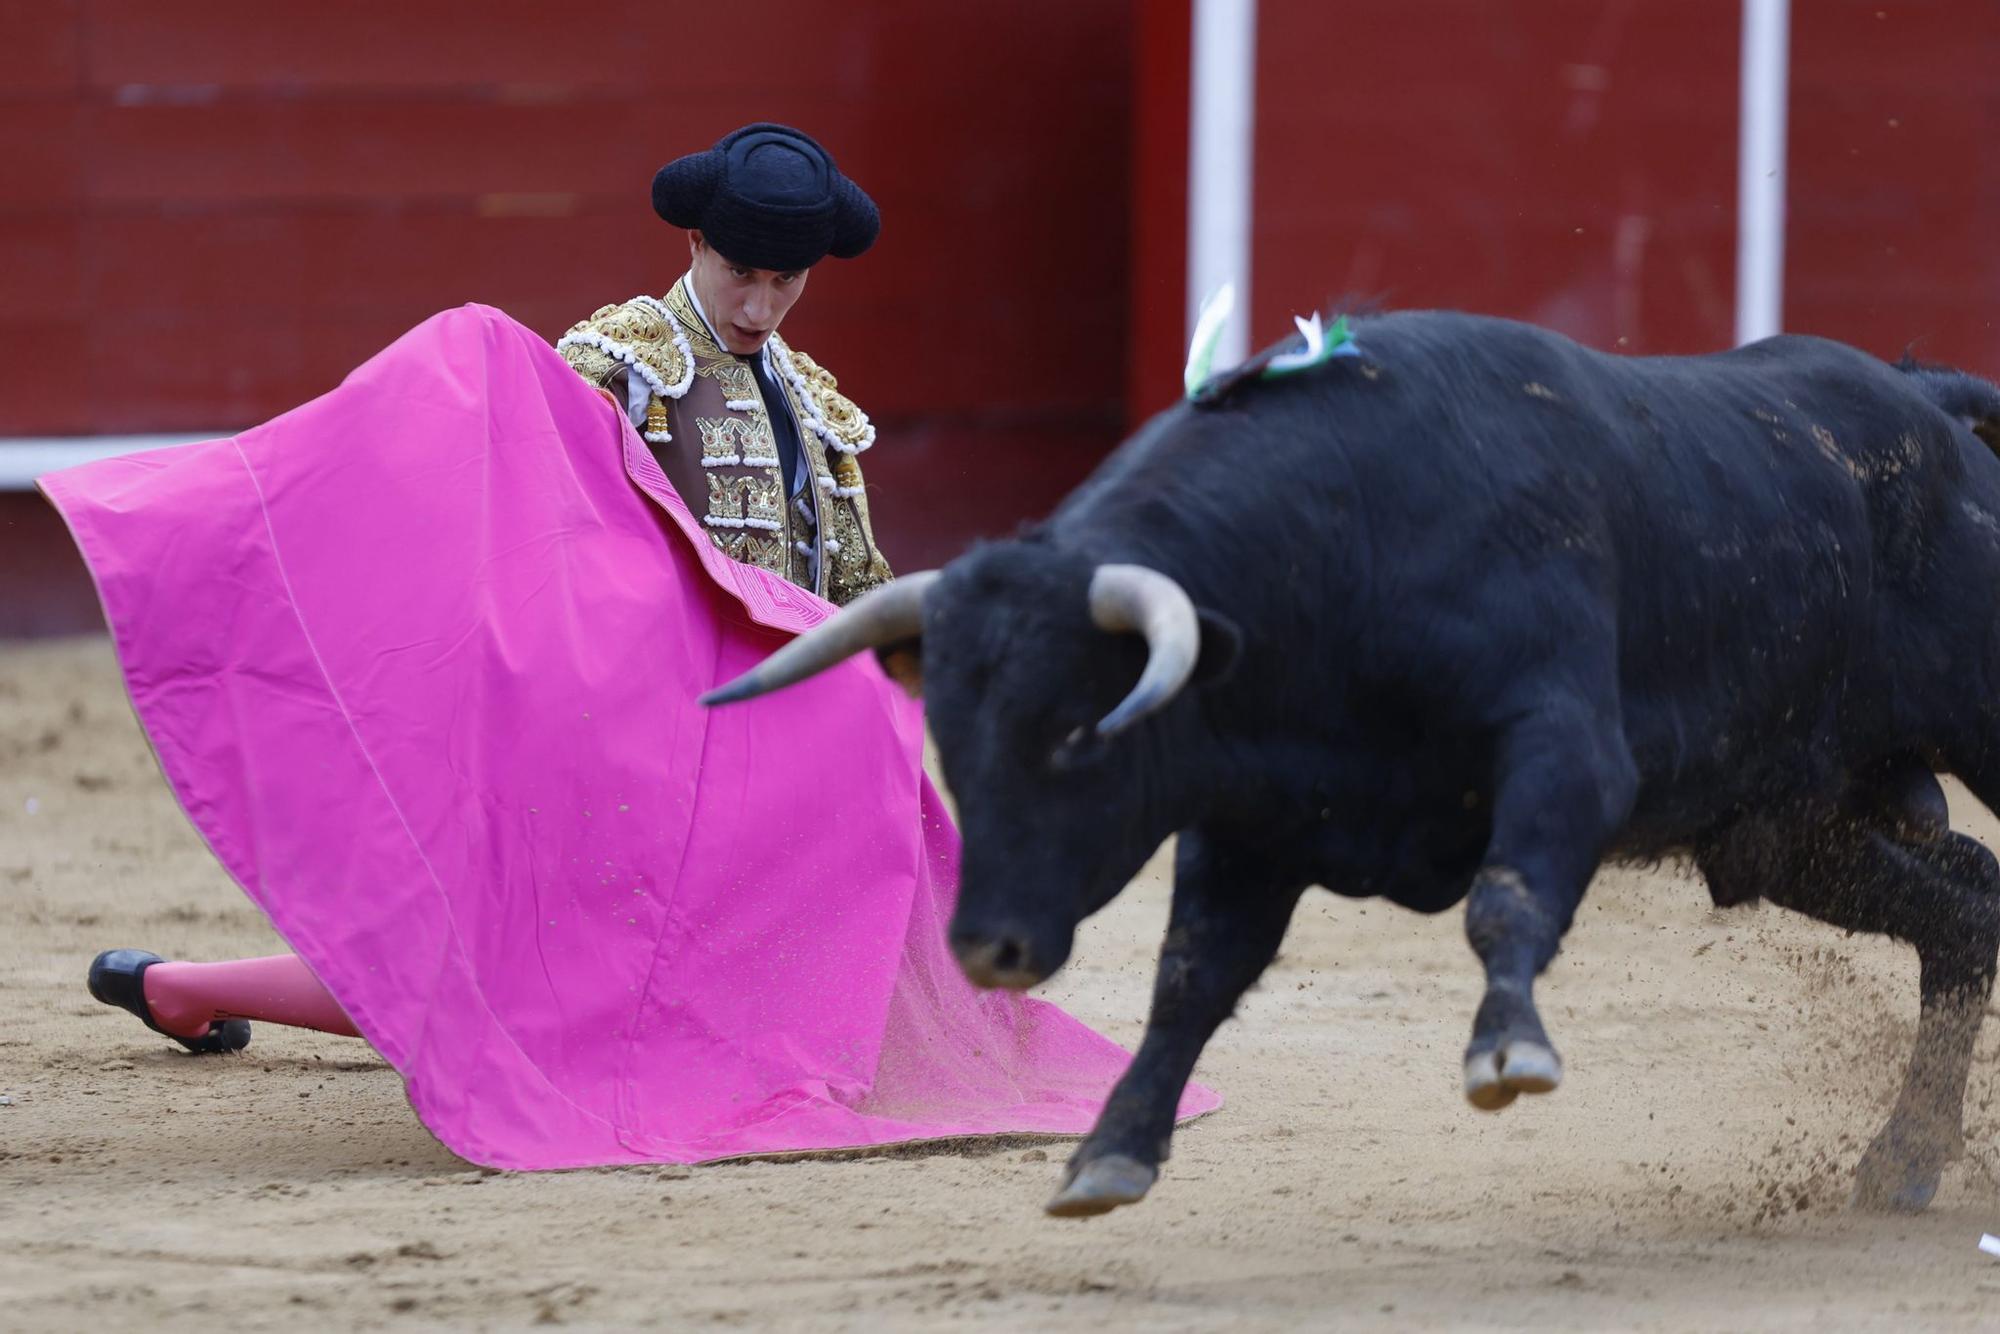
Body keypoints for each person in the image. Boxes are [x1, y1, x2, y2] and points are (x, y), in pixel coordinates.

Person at [52, 123, 1218, 1167]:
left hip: (767, 750)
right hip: (624, 730)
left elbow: (850, 589)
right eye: (741, 272)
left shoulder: (817, 404)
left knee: (581, 978)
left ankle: (183, 986)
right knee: (528, 976)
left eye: (785, 279)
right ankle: (185, 983)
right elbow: (518, 520)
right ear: (696, 242)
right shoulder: (618, 361)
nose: (760, 302)